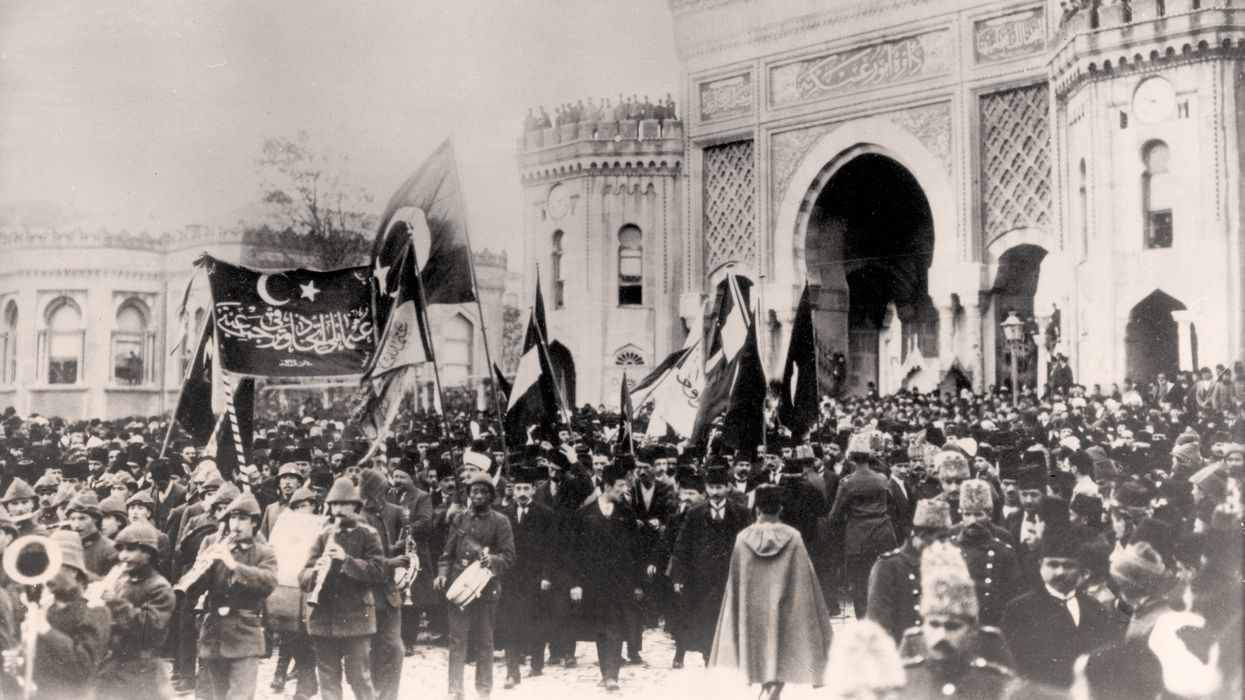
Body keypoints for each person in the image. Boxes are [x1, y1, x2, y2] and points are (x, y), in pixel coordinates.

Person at [710, 484, 833, 699]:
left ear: (757, 509)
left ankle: (768, 688)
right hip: (786, 607)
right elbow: (805, 578)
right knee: (782, 647)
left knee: (757, 646)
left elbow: (736, 581)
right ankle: (773, 688)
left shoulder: (743, 538)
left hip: (752, 611)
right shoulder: (793, 537)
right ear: (781, 509)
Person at [184, 491, 279, 700]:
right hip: (215, 632)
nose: (235, 524)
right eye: (232, 518)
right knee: (219, 695)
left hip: (245, 633)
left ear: (254, 523)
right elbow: (193, 591)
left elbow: (268, 583)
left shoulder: (263, 552)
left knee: (240, 696)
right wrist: (201, 570)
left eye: (242, 519)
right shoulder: (212, 543)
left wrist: (234, 565)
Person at [1001, 528, 1123, 690]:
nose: (1060, 572)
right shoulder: (1018, 610)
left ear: (1080, 568)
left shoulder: (1094, 608)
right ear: (1041, 566)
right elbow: (1012, 666)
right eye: (1053, 565)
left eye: (1068, 566)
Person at [298, 477, 385, 700]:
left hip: (356, 617)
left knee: (359, 677)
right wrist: (315, 571)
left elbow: (377, 572)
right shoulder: (323, 535)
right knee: (328, 679)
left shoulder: (368, 534)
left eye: (343, 504)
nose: (337, 510)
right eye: (333, 505)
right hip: (324, 617)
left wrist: (346, 560)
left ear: (355, 507)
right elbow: (303, 575)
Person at [434, 470, 516, 700]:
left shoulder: (501, 521)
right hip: (460, 585)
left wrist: (494, 560)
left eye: (483, 492)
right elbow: (447, 554)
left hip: (486, 586)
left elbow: (509, 556)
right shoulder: (460, 520)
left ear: (491, 496)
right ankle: (455, 689)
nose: (478, 496)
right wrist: (442, 573)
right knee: (457, 638)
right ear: (469, 494)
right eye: (474, 491)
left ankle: (483, 689)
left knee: (484, 640)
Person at [566, 457, 642, 692]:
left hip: (619, 582)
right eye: (621, 486)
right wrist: (576, 583)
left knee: (616, 625)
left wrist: (637, 583)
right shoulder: (584, 515)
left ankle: (612, 674)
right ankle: (606, 671)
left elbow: (635, 550)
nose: (625, 490)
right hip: (593, 582)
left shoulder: (626, 514)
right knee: (600, 626)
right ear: (608, 486)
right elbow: (573, 552)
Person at [899, 542, 1013, 699]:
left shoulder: (990, 643)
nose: (941, 635)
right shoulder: (911, 663)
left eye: (952, 626)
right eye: (934, 624)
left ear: (971, 628)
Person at [668, 466, 749, 668]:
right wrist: (678, 576)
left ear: (728, 488)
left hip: (728, 575)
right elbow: (682, 545)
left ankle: (721, 656)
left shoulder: (740, 513)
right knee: (699, 616)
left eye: (719, 487)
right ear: (706, 487)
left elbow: (748, 544)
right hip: (699, 576)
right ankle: (703, 656)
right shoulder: (695, 513)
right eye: (711, 487)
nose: (714, 492)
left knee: (725, 617)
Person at [17, 529, 112, 700]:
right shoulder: (46, 608)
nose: (46, 575)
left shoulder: (94, 610)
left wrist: (46, 630)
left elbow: (85, 666)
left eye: (53, 567)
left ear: (73, 571)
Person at [96, 522, 177, 700]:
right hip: (113, 667)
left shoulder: (159, 587)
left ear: (148, 552)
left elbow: (150, 627)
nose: (123, 556)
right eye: (121, 549)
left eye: (131, 550)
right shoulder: (121, 580)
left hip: (141, 671)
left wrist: (114, 602)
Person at [497, 467, 555, 688]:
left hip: (536, 577)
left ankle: (537, 663)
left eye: (526, 488)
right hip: (511, 578)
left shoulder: (545, 514)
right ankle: (512, 671)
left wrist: (547, 575)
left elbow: (552, 548)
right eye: (518, 488)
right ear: (512, 490)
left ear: (533, 490)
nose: (521, 492)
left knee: (536, 621)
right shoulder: (504, 515)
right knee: (510, 622)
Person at [867, 498, 952, 641]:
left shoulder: (948, 563)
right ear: (919, 536)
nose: (943, 546)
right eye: (938, 539)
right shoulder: (889, 566)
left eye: (945, 540)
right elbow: (879, 625)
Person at [828, 449, 897, 618]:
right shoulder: (882, 479)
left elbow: (834, 515)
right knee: (885, 585)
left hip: (858, 539)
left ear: (851, 460)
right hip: (884, 535)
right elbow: (893, 504)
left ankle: (866, 630)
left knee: (860, 588)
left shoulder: (848, 483)